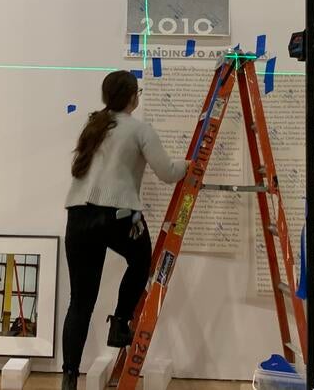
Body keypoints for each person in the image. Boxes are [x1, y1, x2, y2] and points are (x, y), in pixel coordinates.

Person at [61, 70, 189, 390]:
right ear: (132, 96)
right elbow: (167, 172)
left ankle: (68, 377)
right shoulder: (139, 129)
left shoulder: (93, 126)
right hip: (118, 215)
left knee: (80, 302)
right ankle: (119, 323)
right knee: (142, 259)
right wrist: (188, 164)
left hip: (78, 216)